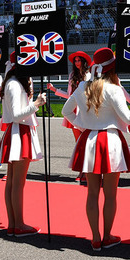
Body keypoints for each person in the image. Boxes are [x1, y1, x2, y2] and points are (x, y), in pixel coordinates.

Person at [64, 47, 130, 250]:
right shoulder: (114, 89)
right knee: (110, 194)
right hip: (110, 141)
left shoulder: (83, 85)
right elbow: (129, 119)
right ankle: (107, 235)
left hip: (89, 140)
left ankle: (95, 237)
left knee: (92, 193)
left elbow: (66, 111)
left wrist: (82, 124)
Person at [0, 52, 46, 237]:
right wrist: (36, 104)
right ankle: (18, 224)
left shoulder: (12, 83)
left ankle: (13, 223)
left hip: (16, 133)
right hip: (19, 132)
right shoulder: (15, 85)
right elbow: (18, 115)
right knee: (17, 183)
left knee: (12, 182)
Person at [47, 51, 91, 182]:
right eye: (75, 61)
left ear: (84, 61)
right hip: (73, 110)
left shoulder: (88, 75)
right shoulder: (72, 75)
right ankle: (81, 171)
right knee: (79, 143)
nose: (77, 63)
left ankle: (87, 171)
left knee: (86, 142)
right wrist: (55, 90)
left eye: (79, 60)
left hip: (84, 110)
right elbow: (69, 94)